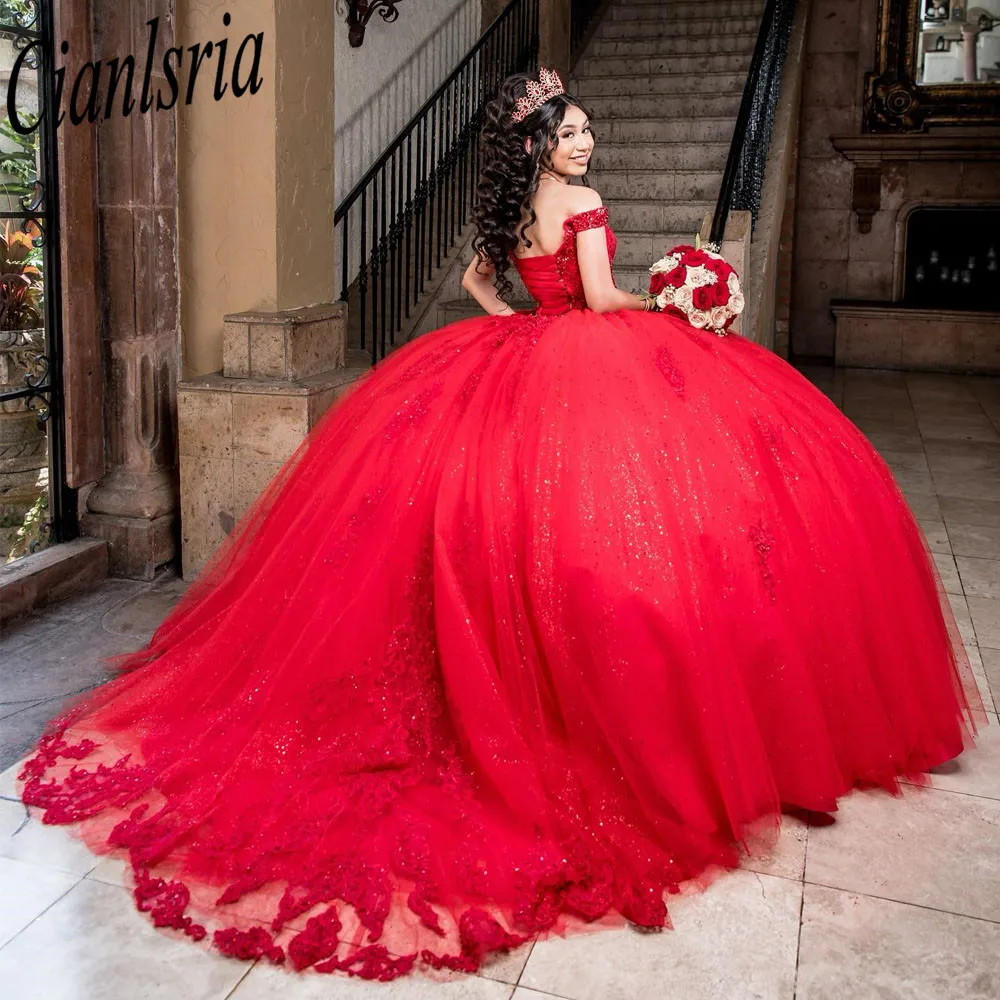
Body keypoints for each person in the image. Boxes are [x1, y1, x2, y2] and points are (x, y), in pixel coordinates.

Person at [19, 69, 982, 981]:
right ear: (540, 144)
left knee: (501, 513)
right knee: (647, 516)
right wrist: (676, 300)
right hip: (590, 360)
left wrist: (528, 317)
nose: (584, 142)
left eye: (585, 131)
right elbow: (603, 301)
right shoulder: (586, 206)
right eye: (569, 133)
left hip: (519, 350)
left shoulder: (513, 213)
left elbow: (487, 286)